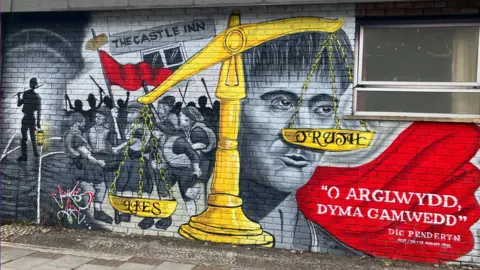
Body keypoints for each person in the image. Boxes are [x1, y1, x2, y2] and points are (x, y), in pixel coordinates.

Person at [238, 30, 359, 254]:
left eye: (324, 109)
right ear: (231, 113)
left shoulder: (340, 256)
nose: (303, 132)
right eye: (281, 103)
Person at [63, 112, 113, 224]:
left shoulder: (68, 134)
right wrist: (100, 163)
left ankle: (94, 212)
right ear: (78, 122)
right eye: (83, 121)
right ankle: (90, 212)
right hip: (82, 168)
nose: (85, 123)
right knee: (95, 187)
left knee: (98, 186)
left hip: (77, 166)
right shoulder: (76, 136)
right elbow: (86, 155)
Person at [178, 106, 216, 182]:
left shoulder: (196, 131)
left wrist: (189, 148)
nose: (179, 117)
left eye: (180, 115)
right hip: (199, 161)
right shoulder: (187, 129)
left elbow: (203, 145)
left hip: (205, 164)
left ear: (187, 118)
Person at [16, 77, 42, 162]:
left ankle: (25, 156)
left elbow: (19, 104)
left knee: (25, 138)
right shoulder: (37, 97)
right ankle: (35, 152)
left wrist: (19, 96)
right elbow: (38, 111)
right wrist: (38, 122)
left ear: (31, 84)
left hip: (27, 117)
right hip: (32, 118)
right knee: (32, 136)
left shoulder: (26, 94)